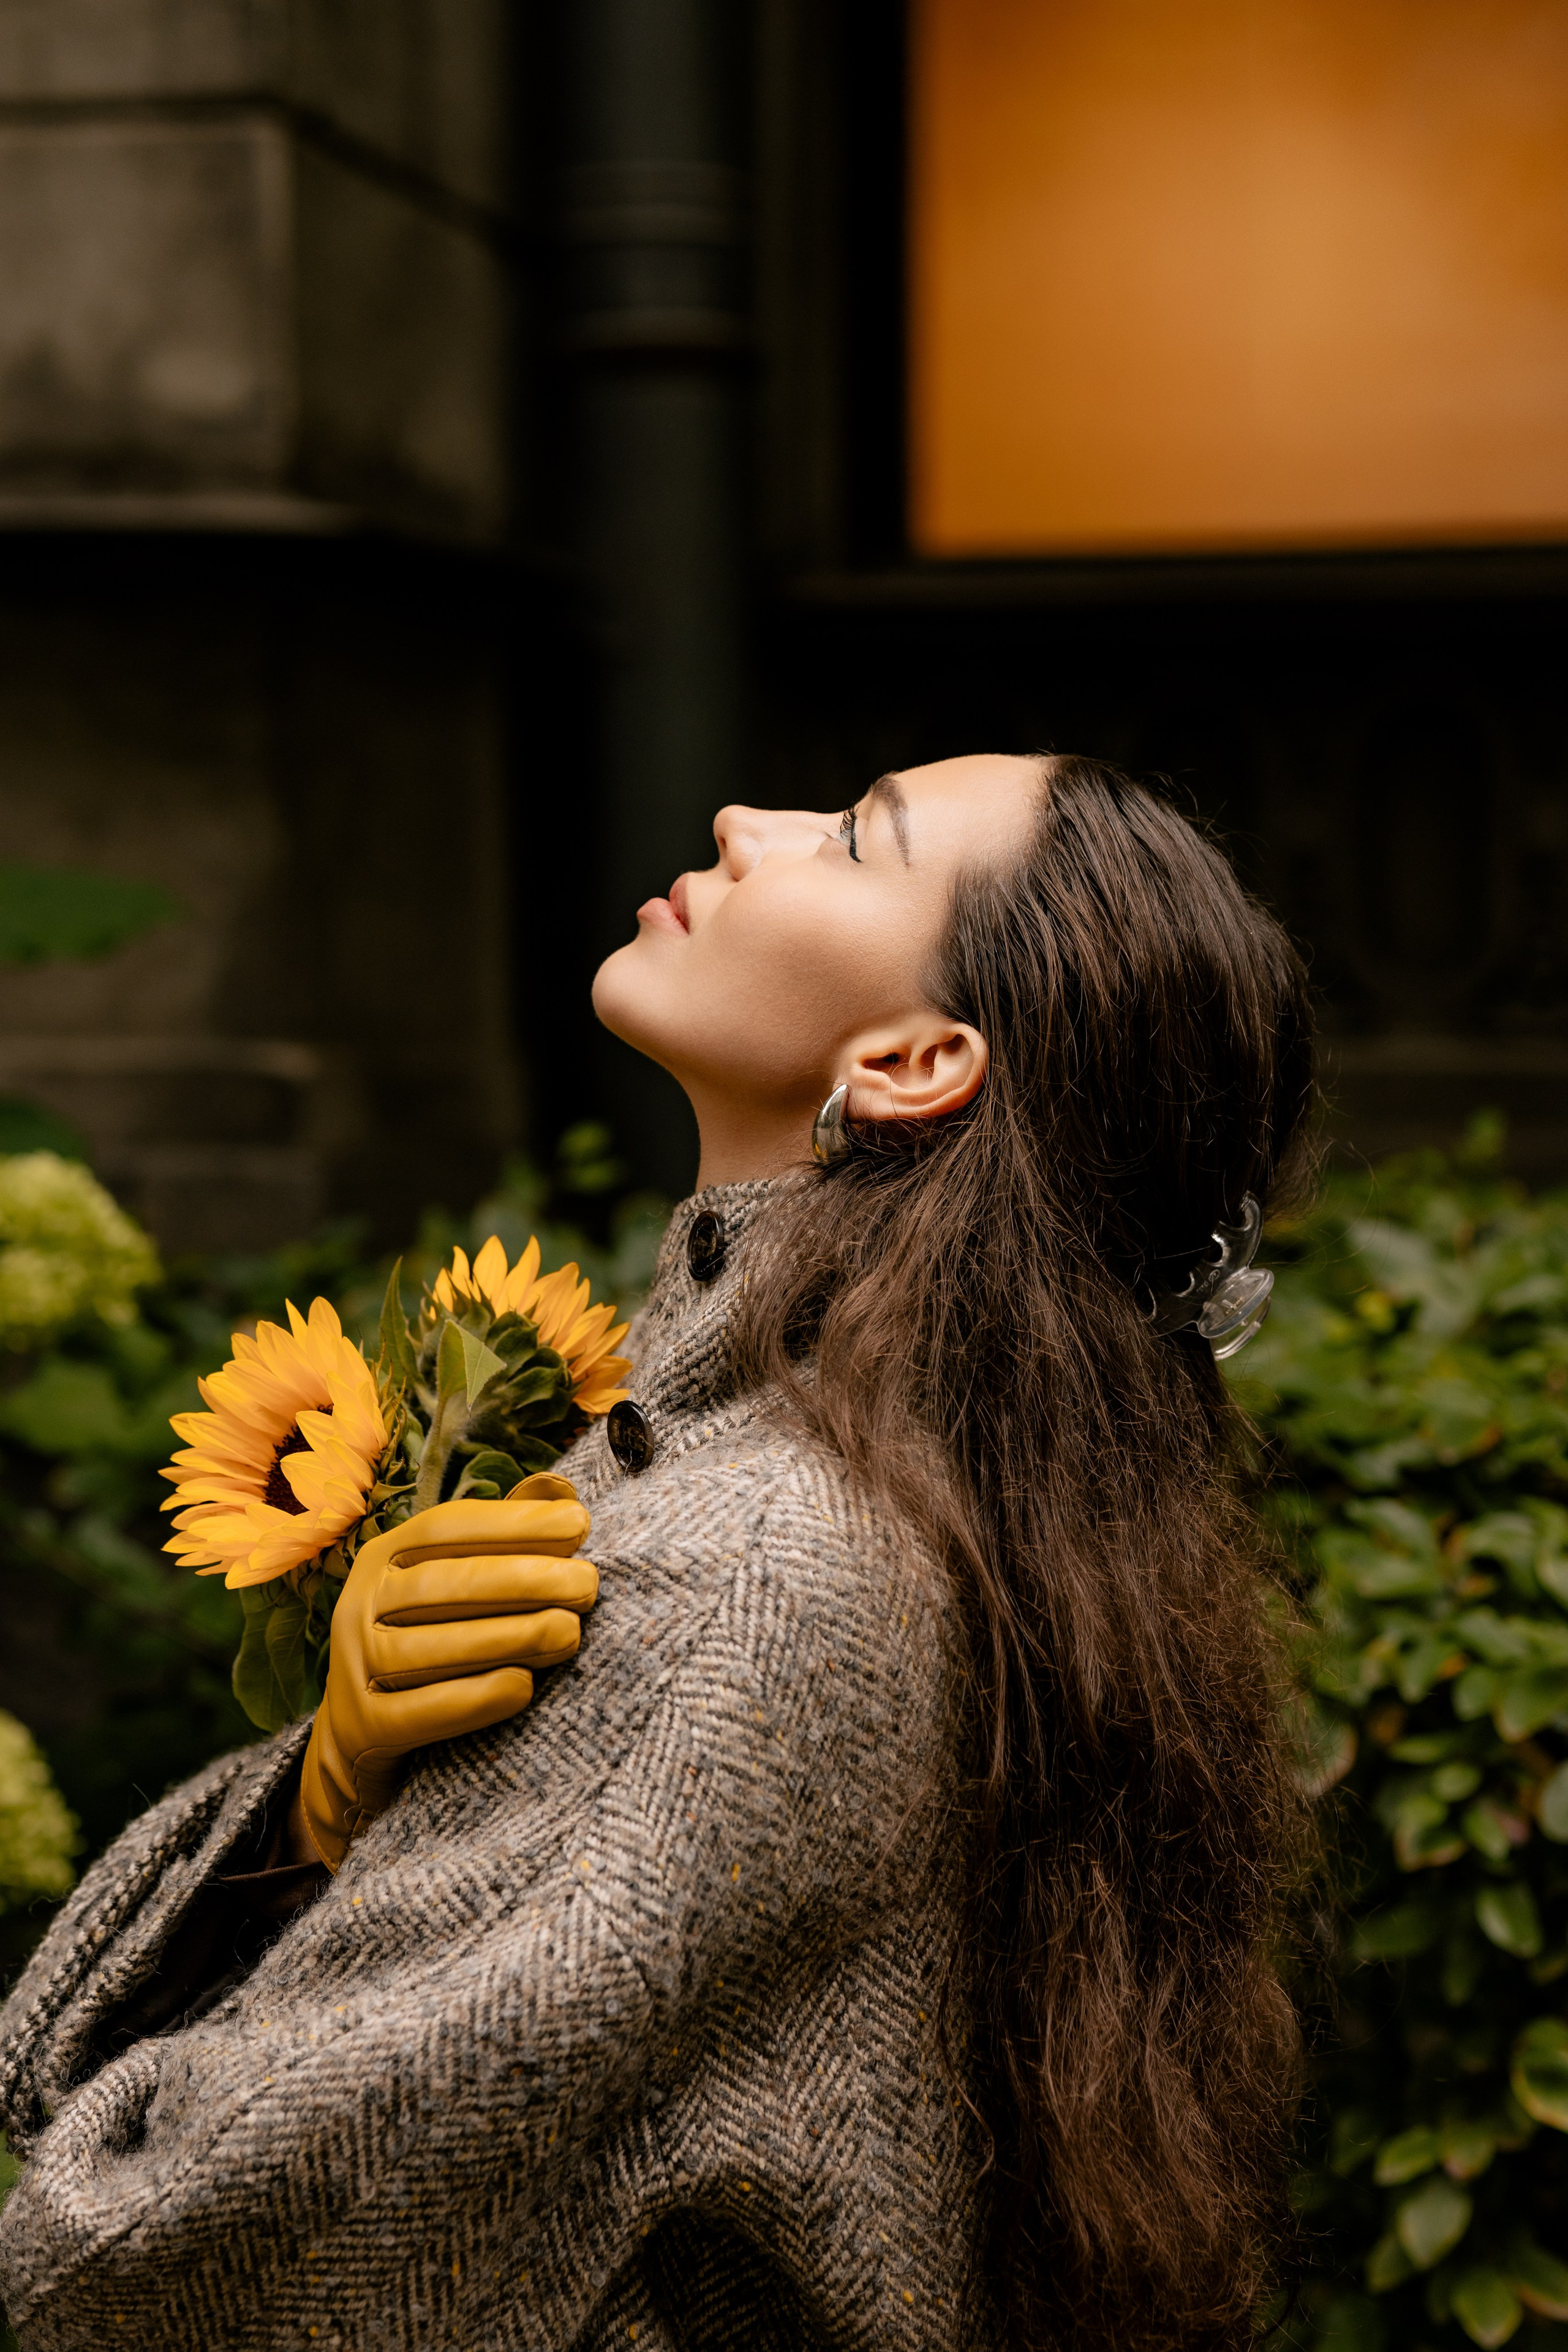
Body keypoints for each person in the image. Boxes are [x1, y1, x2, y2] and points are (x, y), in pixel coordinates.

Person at [0, 753, 1313, 2352]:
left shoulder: (743, 1571)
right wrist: (323, 1796)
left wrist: (319, 1834)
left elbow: (127, 2261)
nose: (744, 826)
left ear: (914, 1060)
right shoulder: (887, 1494)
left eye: (852, 838)